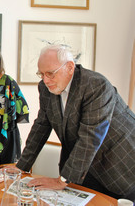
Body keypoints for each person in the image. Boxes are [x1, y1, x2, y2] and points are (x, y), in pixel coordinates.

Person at [16, 44, 135, 202]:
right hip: (83, 168)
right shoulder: (45, 88)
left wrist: (62, 180)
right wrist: (21, 166)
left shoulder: (96, 85)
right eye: (41, 74)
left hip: (119, 163)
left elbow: (90, 137)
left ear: (70, 67)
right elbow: (41, 126)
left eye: (50, 73)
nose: (45, 80)